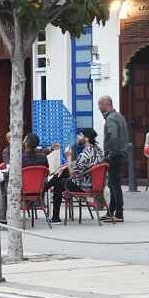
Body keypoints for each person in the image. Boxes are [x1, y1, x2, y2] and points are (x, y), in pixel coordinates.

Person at [43, 128, 104, 224]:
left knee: (59, 185)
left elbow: (73, 174)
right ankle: (43, 190)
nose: (78, 137)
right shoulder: (97, 150)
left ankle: (54, 216)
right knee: (62, 173)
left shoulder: (84, 154)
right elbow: (79, 165)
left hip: (84, 185)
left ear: (87, 138)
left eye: (80, 135)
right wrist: (63, 168)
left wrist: (68, 156)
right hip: (93, 182)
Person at [99, 95, 128, 223]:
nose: (99, 108)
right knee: (112, 185)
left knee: (115, 186)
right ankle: (111, 211)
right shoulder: (119, 117)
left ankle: (119, 214)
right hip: (121, 155)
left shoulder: (110, 119)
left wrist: (110, 155)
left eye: (100, 105)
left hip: (115, 157)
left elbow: (114, 137)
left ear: (105, 105)